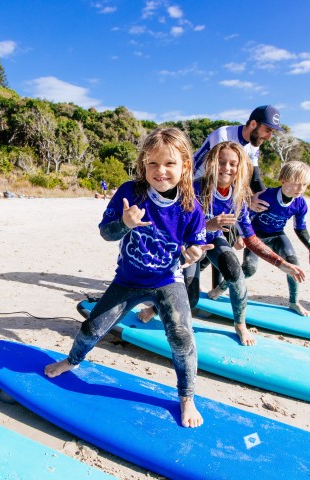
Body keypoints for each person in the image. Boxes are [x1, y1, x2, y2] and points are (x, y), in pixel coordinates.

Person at [44, 127, 210, 428]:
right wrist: (124, 223)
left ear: (185, 165)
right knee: (92, 327)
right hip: (127, 280)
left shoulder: (190, 205)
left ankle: (187, 396)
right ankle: (72, 360)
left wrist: (194, 254)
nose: (160, 171)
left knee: (181, 335)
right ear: (143, 165)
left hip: (166, 281)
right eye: (153, 164)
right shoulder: (129, 193)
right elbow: (106, 233)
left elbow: (194, 246)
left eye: (170, 164)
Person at [182, 142, 305, 346]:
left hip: (213, 241)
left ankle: (240, 325)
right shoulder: (194, 188)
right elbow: (175, 226)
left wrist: (281, 263)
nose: (227, 168)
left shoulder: (238, 197)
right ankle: (156, 306)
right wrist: (208, 225)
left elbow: (251, 238)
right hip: (188, 246)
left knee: (237, 275)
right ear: (211, 162)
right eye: (221, 162)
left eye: (233, 164)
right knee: (191, 298)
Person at [191, 105, 284, 290]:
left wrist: (269, 202)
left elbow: (255, 178)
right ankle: (183, 284)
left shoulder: (252, 147)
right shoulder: (224, 135)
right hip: (197, 191)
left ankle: (210, 286)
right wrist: (246, 199)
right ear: (253, 123)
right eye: (267, 130)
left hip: (219, 197)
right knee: (197, 240)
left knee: (219, 239)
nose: (269, 136)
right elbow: (219, 171)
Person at [239, 161, 310, 316]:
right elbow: (247, 217)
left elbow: (300, 228)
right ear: (283, 179)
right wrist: (240, 236)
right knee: (249, 270)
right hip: (255, 235)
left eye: (304, 185)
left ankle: (294, 302)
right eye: (296, 184)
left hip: (277, 235)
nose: (300, 189)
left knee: (293, 265)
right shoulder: (267, 195)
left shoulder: (300, 203)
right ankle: (221, 288)